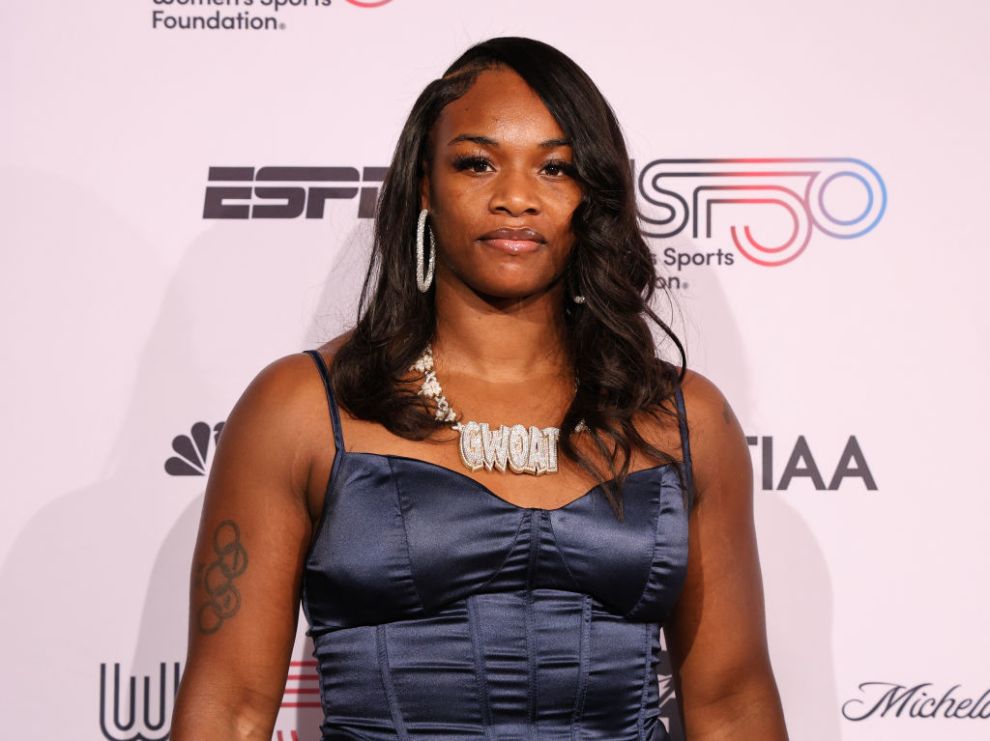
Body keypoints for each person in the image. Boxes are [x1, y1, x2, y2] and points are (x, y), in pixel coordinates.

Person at [170, 36, 788, 740]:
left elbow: (732, 705)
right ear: (425, 185)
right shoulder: (303, 408)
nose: (516, 198)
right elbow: (231, 706)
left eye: (555, 167)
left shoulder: (682, 420)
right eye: (477, 162)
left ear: (592, 194)